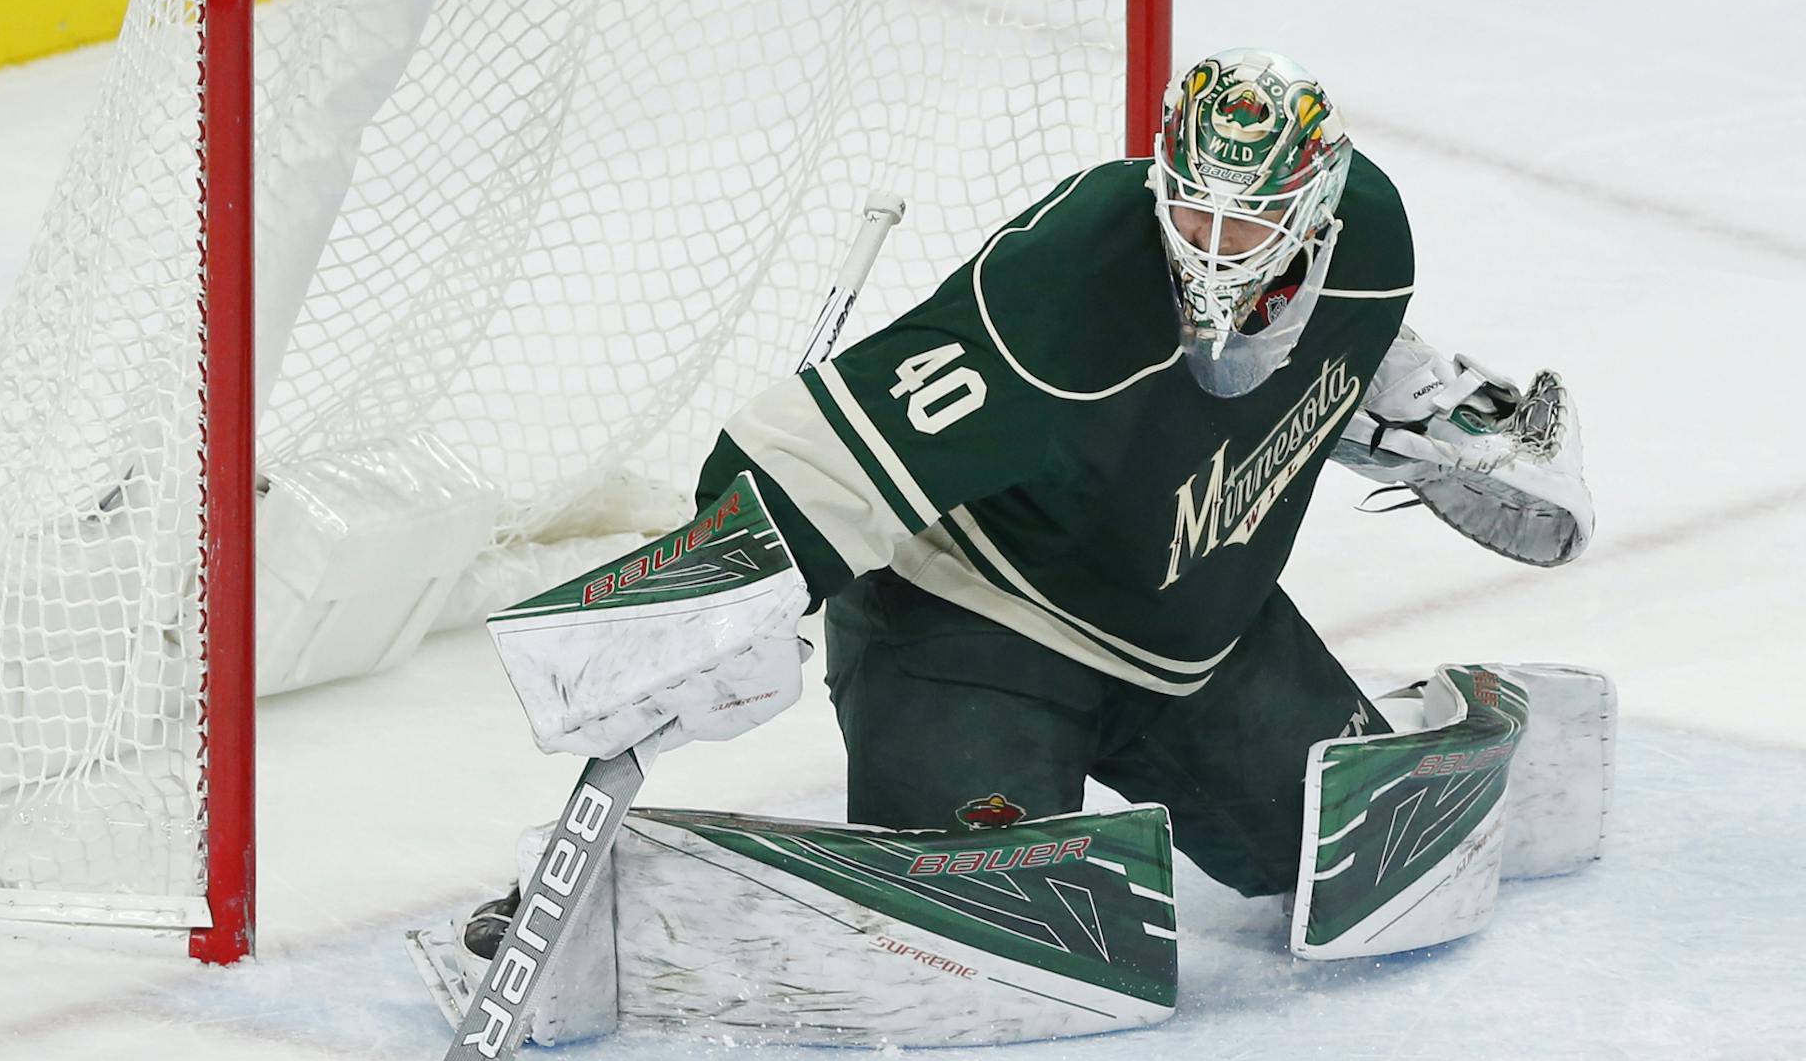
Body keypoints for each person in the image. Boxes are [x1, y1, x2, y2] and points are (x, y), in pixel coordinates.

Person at [482, 47, 1593, 922]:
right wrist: (719, 592)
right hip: (973, 629)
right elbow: (819, 448)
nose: (1209, 247)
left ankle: (1397, 719)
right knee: (986, 908)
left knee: (1349, 858)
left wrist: (1431, 413)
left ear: (1315, 208)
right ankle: (643, 907)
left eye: (1245, 222)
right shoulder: (1067, 284)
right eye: (1192, 210)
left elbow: (1329, 354)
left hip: (1194, 631)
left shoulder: (1373, 240)